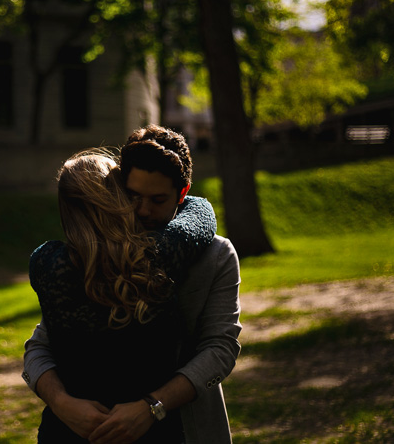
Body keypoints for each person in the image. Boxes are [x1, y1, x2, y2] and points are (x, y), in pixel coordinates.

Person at [24, 125, 242, 443]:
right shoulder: (93, 255)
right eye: (132, 196)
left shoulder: (216, 255)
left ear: (182, 194)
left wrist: (151, 407)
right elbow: (40, 345)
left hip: (183, 427)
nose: (142, 210)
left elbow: (221, 348)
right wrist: (61, 403)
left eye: (157, 199)